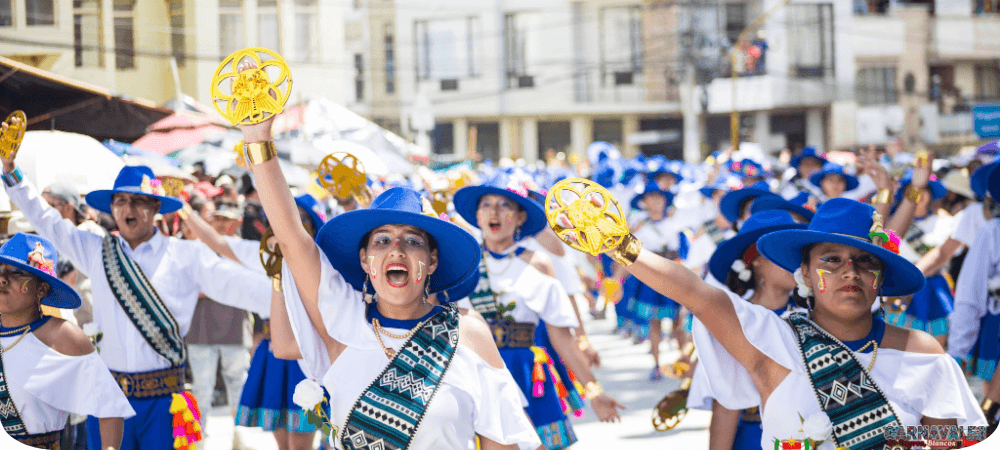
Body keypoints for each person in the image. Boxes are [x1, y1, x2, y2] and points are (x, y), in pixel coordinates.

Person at [236, 88, 543, 449]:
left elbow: (505, 441)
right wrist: (258, 141)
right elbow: (292, 238)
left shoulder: (467, 332)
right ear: (365, 261)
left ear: (431, 261)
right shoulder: (343, 321)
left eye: (413, 241)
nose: (396, 249)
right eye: (382, 241)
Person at [556, 195, 985, 449]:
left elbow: (959, 438)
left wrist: (901, 438)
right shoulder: (774, 340)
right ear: (804, 274)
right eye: (831, 261)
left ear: (881, 278)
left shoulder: (922, 351)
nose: (849, 273)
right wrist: (622, 246)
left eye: (864, 262)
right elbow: (698, 295)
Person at [1, 156, 272, 450]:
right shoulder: (96, 250)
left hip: (165, 403)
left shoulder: (186, 255)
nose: (127, 209)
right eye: (120, 201)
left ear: (155, 208)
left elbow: (241, 286)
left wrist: (291, 292)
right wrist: (11, 172)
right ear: (112, 208)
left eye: (138, 201)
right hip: (109, 401)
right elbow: (47, 221)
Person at [451, 174, 624, 448]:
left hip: (527, 371)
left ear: (520, 218)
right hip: (477, 371)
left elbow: (562, 339)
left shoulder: (538, 264)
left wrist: (594, 391)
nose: (494, 212)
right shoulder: (463, 265)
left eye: (505, 206)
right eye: (486, 204)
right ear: (477, 215)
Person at [0, 233, 135, 450]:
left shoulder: (64, 337)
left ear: (42, 289)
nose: (3, 279)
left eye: (17, 272)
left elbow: (109, 405)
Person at [690, 211, 806, 450]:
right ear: (757, 262)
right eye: (782, 253)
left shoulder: (815, 316)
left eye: (796, 254)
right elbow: (727, 406)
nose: (794, 262)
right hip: (755, 439)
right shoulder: (736, 320)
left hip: (813, 436)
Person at [949, 166, 1000, 427]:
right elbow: (971, 295)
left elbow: (971, 296)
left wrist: (958, 351)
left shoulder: (992, 232)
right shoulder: (992, 233)